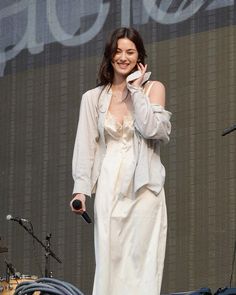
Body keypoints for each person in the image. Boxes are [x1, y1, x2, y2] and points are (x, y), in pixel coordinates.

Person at [70, 27, 171, 295]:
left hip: (144, 187)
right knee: (109, 259)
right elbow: (85, 147)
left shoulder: (153, 89)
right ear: (109, 56)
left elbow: (154, 131)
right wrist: (80, 190)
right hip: (109, 185)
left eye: (130, 51)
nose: (123, 57)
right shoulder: (93, 98)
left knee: (141, 262)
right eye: (118, 51)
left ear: (139, 56)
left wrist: (136, 92)